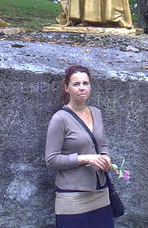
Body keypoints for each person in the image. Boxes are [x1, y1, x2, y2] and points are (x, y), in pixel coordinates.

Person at [45, 65, 114, 228]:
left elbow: (103, 143)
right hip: (73, 197)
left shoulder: (96, 113)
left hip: (101, 192)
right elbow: (51, 160)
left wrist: (106, 156)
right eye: (76, 84)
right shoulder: (59, 119)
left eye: (86, 83)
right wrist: (84, 159)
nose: (82, 88)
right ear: (66, 87)